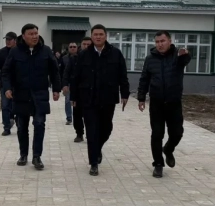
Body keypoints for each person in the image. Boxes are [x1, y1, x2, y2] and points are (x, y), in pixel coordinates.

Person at [70, 25, 129, 176]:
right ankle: (93, 163)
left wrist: (125, 94)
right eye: (95, 34)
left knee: (107, 128)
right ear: (91, 36)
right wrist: (73, 97)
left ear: (105, 36)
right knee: (91, 131)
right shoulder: (84, 54)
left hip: (108, 98)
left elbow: (122, 75)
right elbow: (76, 77)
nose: (98, 37)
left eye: (101, 34)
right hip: (88, 98)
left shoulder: (115, 53)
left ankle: (97, 148)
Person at [0, 24, 61, 170]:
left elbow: (54, 71)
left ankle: (37, 156)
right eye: (31, 34)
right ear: (23, 36)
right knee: (22, 127)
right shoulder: (15, 52)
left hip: (40, 94)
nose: (34, 36)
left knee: (39, 124)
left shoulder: (46, 51)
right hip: (21, 95)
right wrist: (7, 88)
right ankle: (23, 154)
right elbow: (6, 72)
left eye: (36, 33)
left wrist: (56, 89)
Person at [136, 30, 190, 178]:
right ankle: (158, 164)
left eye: (163, 41)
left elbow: (185, 60)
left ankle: (168, 149)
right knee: (157, 134)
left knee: (177, 133)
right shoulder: (150, 59)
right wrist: (141, 98)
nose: (160, 44)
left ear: (169, 41)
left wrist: (185, 54)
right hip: (157, 103)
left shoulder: (177, 56)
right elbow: (144, 79)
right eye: (157, 42)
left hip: (174, 103)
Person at [62, 37, 90, 142]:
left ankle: (90, 133)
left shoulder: (96, 58)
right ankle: (79, 133)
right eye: (84, 44)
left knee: (90, 114)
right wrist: (65, 84)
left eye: (88, 44)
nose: (86, 46)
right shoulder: (74, 59)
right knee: (77, 113)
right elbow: (66, 72)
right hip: (77, 90)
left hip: (91, 91)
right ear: (80, 46)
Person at [0, 31, 18, 136]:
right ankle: (6, 127)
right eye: (6, 39)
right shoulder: (1, 52)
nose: (7, 41)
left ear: (15, 40)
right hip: (5, 84)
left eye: (10, 39)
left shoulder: (19, 51)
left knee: (17, 105)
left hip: (18, 84)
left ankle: (18, 123)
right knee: (5, 105)